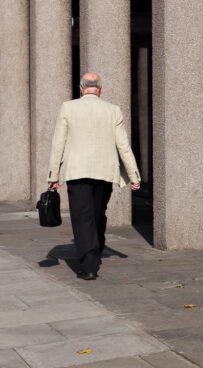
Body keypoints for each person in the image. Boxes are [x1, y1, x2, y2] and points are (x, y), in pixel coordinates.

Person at [47, 72, 141, 281]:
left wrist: (53, 174)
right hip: (105, 171)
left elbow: (58, 143)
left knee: (82, 217)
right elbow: (123, 145)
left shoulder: (68, 108)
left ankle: (89, 264)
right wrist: (134, 175)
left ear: (81, 88)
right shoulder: (112, 110)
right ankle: (94, 252)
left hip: (77, 171)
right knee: (98, 213)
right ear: (101, 89)